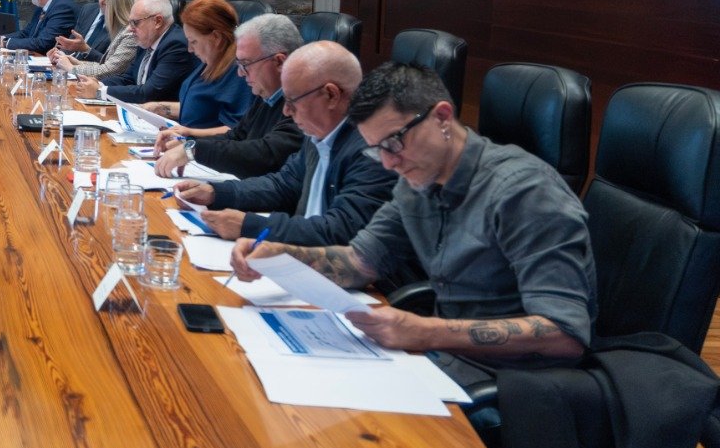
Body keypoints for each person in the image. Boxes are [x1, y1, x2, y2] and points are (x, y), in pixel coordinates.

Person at [229, 62, 596, 389]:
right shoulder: (417, 180)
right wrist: (280, 256)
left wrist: (424, 332)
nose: (388, 163)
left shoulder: (526, 192)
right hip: (440, 360)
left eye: (394, 143)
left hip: (517, 386)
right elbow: (360, 262)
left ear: (441, 117)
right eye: (377, 149)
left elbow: (564, 334)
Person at [171, 41, 396, 246]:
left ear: (331, 95)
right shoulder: (318, 132)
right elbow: (283, 184)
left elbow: (341, 231)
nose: (286, 111)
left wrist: (250, 226)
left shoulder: (373, 150)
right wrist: (216, 193)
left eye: (292, 101)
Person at [154, 13, 304, 179]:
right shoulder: (268, 94)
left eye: (246, 64)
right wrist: (188, 143)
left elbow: (266, 154)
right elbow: (236, 136)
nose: (240, 73)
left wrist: (194, 151)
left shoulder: (304, 104)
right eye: (239, 65)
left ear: (279, 62)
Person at [142, 0, 252, 130]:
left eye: (193, 41)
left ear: (216, 37)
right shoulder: (210, 59)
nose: (189, 49)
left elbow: (235, 130)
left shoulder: (238, 72)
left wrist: (187, 133)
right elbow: (201, 107)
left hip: (206, 148)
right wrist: (160, 108)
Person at [80, 0, 194, 104]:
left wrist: (99, 91)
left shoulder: (175, 44)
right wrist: (98, 83)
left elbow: (148, 93)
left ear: (158, 21)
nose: (130, 29)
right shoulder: (147, 39)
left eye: (135, 22)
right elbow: (128, 78)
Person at [49, 0, 140, 80]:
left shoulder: (131, 33)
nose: (101, 4)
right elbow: (104, 65)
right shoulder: (125, 29)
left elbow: (107, 71)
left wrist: (71, 68)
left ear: (115, 6)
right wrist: (73, 62)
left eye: (106, 3)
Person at [55, 0, 126, 61]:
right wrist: (59, 55)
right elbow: (71, 44)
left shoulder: (126, 23)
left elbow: (113, 66)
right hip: (70, 70)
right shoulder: (88, 9)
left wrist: (86, 50)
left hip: (94, 73)